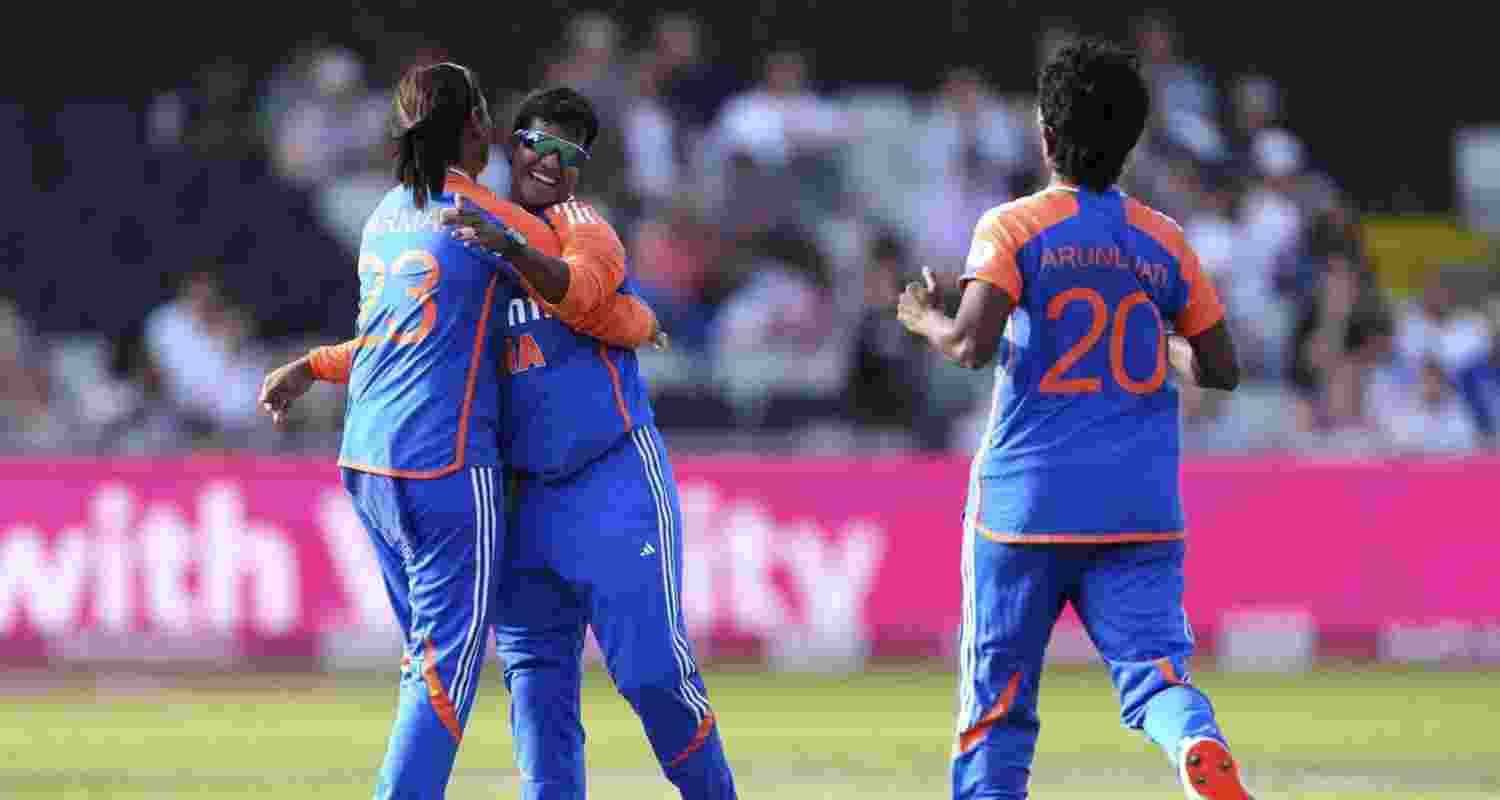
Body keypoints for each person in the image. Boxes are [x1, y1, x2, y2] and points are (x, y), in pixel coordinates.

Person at [258, 64, 658, 799]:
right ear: (476, 127)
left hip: (364, 460)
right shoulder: (483, 218)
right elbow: (587, 299)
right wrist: (643, 321)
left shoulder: (382, 215)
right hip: (442, 464)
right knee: (443, 673)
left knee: (428, 660)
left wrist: (313, 365)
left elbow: (394, 337)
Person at [895, 39, 1253, 800]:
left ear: (1045, 136)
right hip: (1138, 503)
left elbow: (970, 344)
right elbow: (1221, 367)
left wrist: (923, 316)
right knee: (1156, 679)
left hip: (1026, 507)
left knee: (996, 706)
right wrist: (1160, 349)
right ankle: (1194, 739)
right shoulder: (1165, 239)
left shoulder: (1013, 227)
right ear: (1131, 142)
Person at [441, 86, 738, 800]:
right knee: (538, 700)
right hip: (518, 502)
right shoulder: (466, 232)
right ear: (513, 144)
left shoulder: (584, 227)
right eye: (540, 143)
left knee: (654, 677)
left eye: (570, 156)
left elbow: (579, 292)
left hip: (611, 481)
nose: (551, 164)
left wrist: (513, 247)